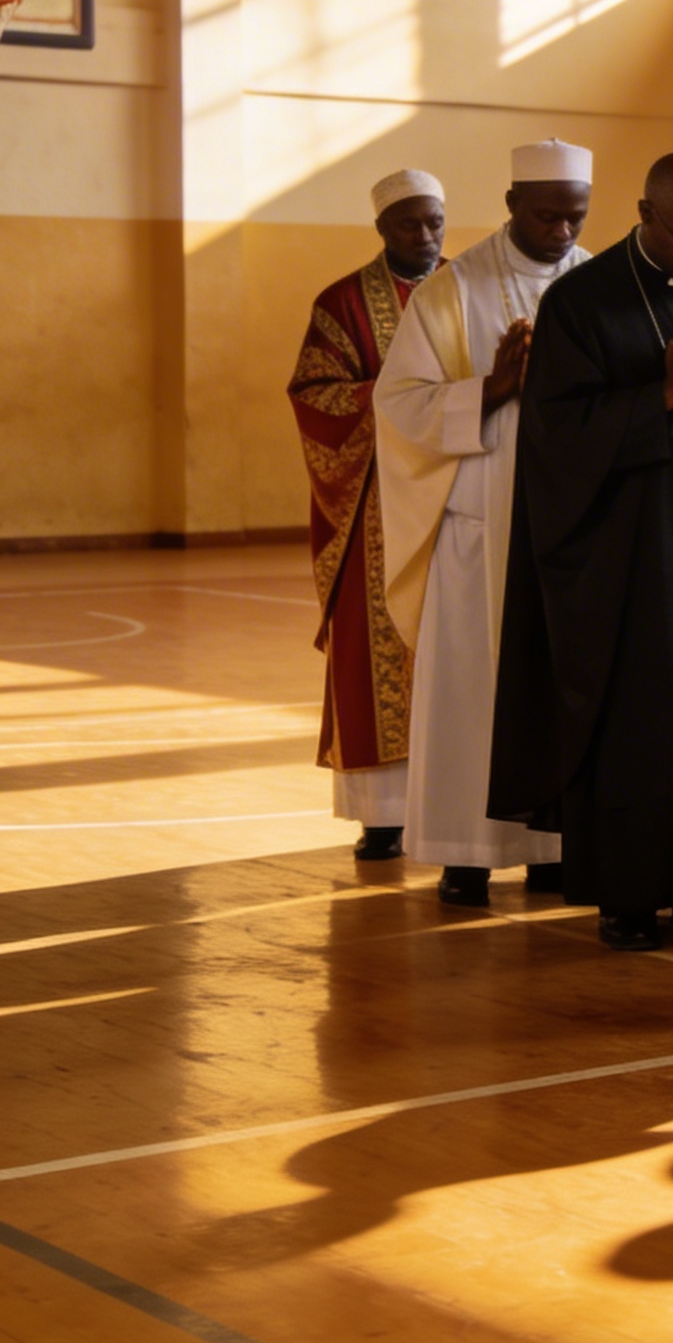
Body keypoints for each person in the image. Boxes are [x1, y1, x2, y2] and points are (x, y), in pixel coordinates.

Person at [490, 153, 673, 950]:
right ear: (646, 212)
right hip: (625, 550)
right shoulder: (579, 300)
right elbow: (553, 437)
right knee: (642, 714)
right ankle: (629, 894)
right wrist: (663, 396)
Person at [375, 141, 593, 908]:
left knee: (560, 690)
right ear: (510, 204)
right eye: (547, 214)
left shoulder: (598, 285)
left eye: (576, 215)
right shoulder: (451, 291)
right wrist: (492, 390)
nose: (564, 231)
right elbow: (397, 406)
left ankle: (553, 846)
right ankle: (464, 852)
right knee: (471, 691)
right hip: (479, 524)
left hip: (574, 528)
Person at [287, 169, 446, 861]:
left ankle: (459, 800)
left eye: (435, 221)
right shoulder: (343, 304)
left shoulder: (466, 289)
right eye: (410, 223)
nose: (425, 235)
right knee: (374, 643)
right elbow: (314, 395)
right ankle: (382, 814)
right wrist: (398, 396)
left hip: (457, 498)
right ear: (381, 227)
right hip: (377, 505)